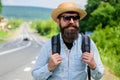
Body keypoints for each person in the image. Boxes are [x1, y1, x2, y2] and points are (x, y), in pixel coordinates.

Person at [32, 2, 104, 80]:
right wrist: (49, 67)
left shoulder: (88, 43)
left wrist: (93, 66)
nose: (72, 22)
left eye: (75, 18)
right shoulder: (49, 45)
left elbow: (98, 76)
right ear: (58, 21)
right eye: (67, 18)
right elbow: (36, 75)